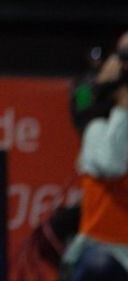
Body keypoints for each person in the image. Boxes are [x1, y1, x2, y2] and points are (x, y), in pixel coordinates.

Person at [62, 35, 128, 281]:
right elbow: (113, 164)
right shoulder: (95, 128)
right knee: (98, 266)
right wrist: (117, 97)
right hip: (105, 254)